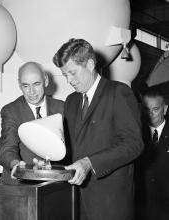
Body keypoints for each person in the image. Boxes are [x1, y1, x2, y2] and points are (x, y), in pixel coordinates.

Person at [53, 38, 144, 220]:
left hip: (110, 204)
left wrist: (89, 163)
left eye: (72, 73)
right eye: (65, 75)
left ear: (90, 64)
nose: (69, 80)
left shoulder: (118, 92)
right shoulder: (71, 101)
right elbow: (71, 148)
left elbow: (134, 144)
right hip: (76, 200)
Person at [0, 61, 64, 185]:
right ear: (19, 85)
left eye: (36, 84)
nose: (32, 91)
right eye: (26, 86)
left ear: (46, 81)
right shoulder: (11, 111)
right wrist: (16, 165)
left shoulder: (62, 108)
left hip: (53, 186)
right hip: (19, 186)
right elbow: (6, 149)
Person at [135, 88, 169, 220]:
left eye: (155, 109)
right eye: (146, 109)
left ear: (165, 109)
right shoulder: (136, 135)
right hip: (143, 205)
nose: (151, 114)